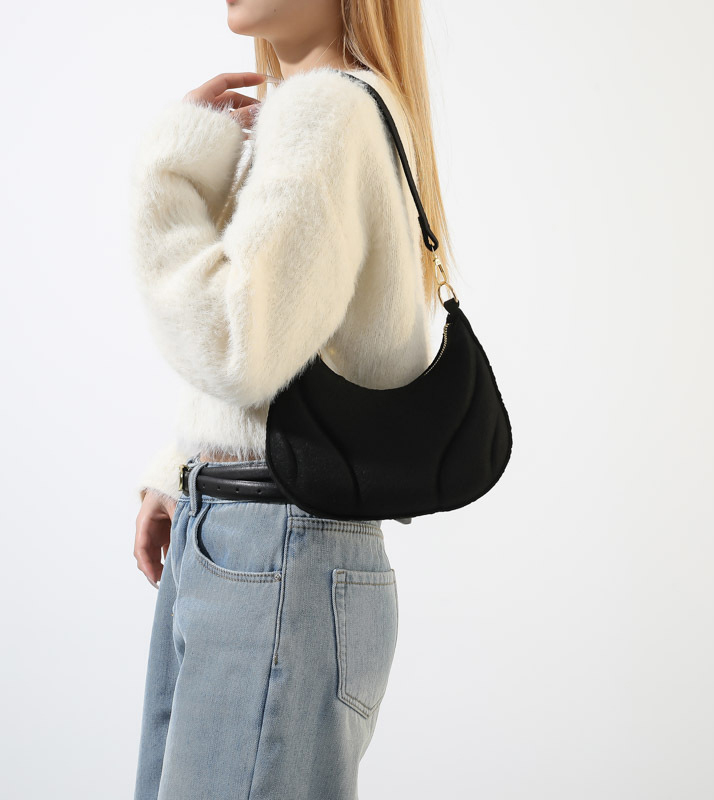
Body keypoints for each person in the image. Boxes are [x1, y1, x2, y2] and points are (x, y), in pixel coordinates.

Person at [130, 0, 455, 797]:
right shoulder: (339, 108)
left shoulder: (327, 112)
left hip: (273, 554)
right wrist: (184, 470)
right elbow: (297, 345)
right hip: (264, 544)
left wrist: (166, 176)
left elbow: (236, 345)